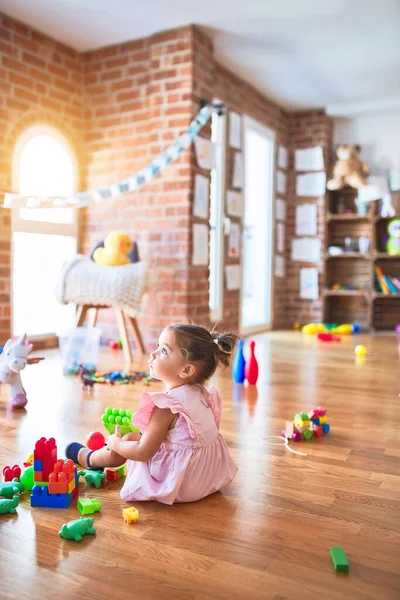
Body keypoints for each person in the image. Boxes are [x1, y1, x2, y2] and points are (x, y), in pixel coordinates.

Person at [66, 323, 238, 504]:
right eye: (158, 346)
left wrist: (115, 443)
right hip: (209, 475)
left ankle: (90, 459)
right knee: (137, 436)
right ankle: (98, 456)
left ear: (186, 370)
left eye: (163, 351)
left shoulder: (166, 407)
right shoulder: (203, 393)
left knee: (129, 440)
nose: (153, 354)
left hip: (183, 483)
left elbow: (143, 453)